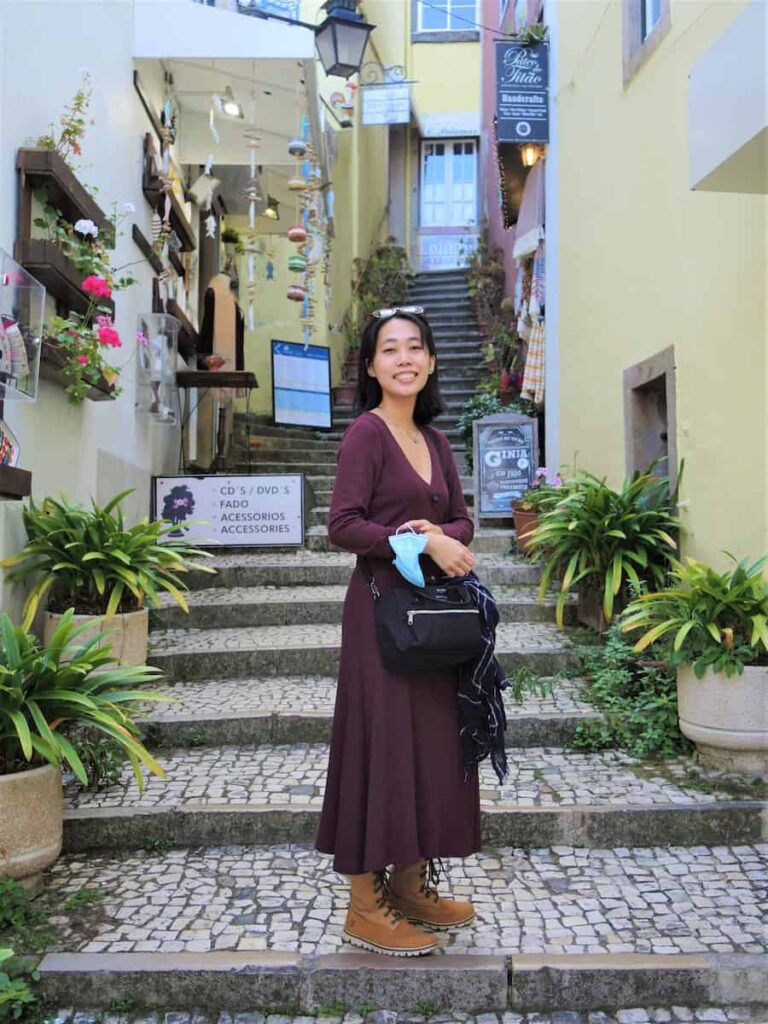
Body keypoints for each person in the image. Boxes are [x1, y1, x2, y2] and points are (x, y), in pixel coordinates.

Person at [315, 306, 482, 957]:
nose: (405, 358)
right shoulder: (367, 434)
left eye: (416, 347)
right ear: (372, 365)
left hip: (436, 621)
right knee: (377, 748)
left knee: (432, 746)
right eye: (390, 349)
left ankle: (411, 884)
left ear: (432, 362)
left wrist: (441, 537)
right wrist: (411, 541)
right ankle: (364, 905)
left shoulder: (437, 442)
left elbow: (464, 523)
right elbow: (342, 524)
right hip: (382, 615)